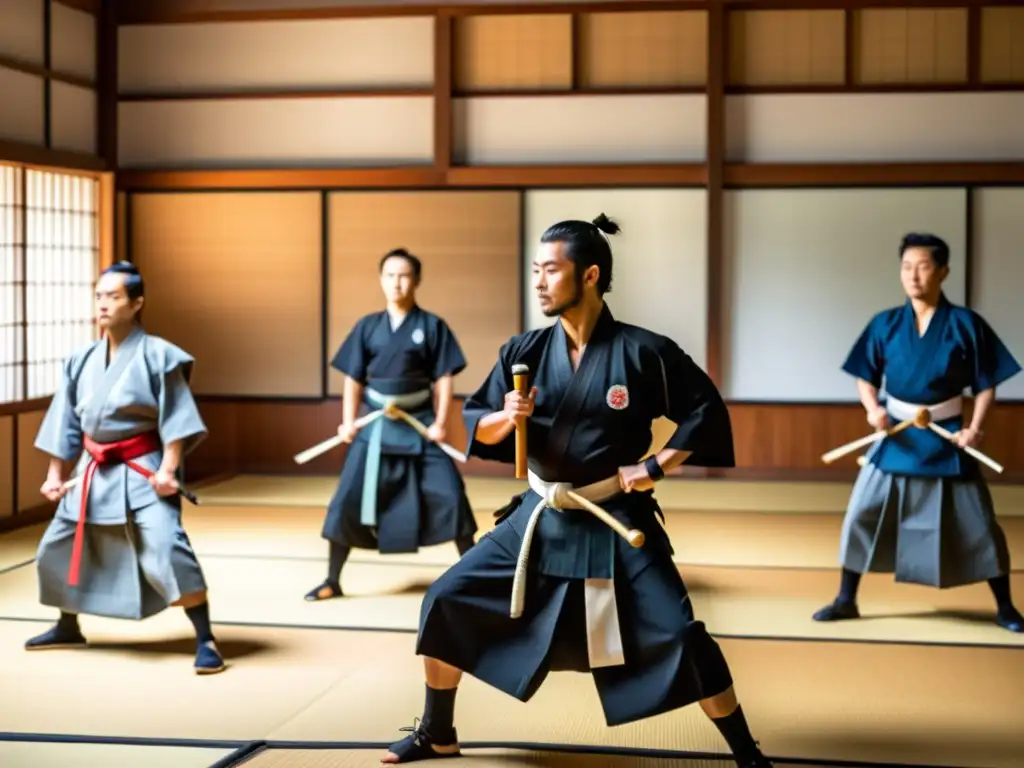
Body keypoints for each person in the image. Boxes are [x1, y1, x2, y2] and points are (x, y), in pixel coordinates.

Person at [381, 216, 773, 767]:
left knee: (683, 635)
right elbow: (480, 426)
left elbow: (704, 413)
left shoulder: (644, 351)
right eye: (536, 270)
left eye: (550, 270)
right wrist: (505, 415)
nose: (538, 281)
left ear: (589, 275)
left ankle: (746, 752)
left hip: (615, 516)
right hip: (541, 515)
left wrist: (657, 465)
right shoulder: (524, 350)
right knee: (443, 600)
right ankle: (436, 731)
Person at [813, 233, 1023, 633]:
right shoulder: (885, 323)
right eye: (907, 266)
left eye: (924, 266)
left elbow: (987, 383)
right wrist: (873, 410)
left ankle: (1006, 607)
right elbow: (865, 375)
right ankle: (846, 599)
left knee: (979, 523)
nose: (914, 275)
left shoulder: (966, 324)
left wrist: (974, 429)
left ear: (943, 271)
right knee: (861, 513)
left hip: (946, 434)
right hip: (897, 434)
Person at [24, 261, 225, 674]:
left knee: (168, 548)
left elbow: (177, 419)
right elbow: (65, 422)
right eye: (99, 295)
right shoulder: (80, 359)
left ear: (136, 304)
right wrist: (55, 475)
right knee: (57, 547)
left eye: (113, 296)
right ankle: (67, 624)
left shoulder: (159, 356)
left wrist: (169, 470)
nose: (103, 304)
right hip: (93, 468)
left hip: (142, 468)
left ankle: (205, 638)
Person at [305, 248, 478, 602]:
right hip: (377, 425)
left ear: (416, 281)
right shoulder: (368, 326)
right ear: (381, 280)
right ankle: (332, 579)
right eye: (389, 275)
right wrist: (347, 423)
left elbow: (444, 378)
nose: (396, 283)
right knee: (346, 499)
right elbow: (353, 379)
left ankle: (476, 577)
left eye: (403, 275)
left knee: (451, 495)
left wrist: (442, 423)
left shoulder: (432, 326)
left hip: (420, 424)